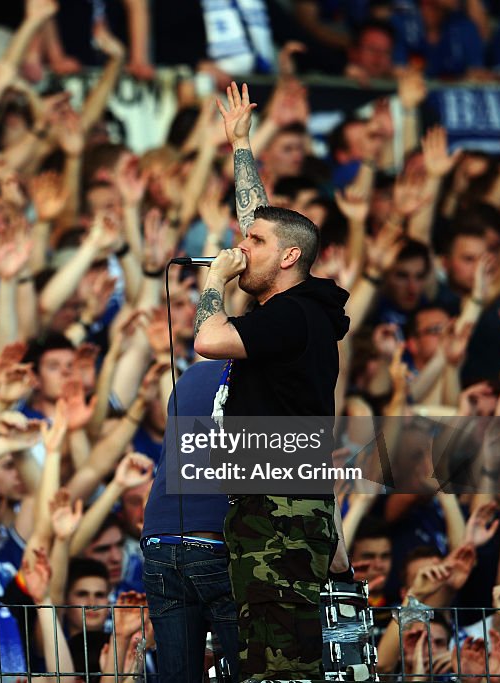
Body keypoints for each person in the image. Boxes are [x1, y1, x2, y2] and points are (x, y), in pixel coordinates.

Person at [193, 82, 350, 682]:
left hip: (280, 510)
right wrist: (240, 145)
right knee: (263, 655)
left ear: (288, 259)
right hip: (272, 503)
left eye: (254, 246)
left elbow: (209, 340)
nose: (241, 247)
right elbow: (258, 218)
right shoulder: (297, 308)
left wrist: (214, 283)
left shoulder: (295, 314)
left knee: (281, 661)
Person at [141, 358, 241, 683]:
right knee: (253, 672)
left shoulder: (192, 374)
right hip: (216, 542)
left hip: (160, 539)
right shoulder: (267, 374)